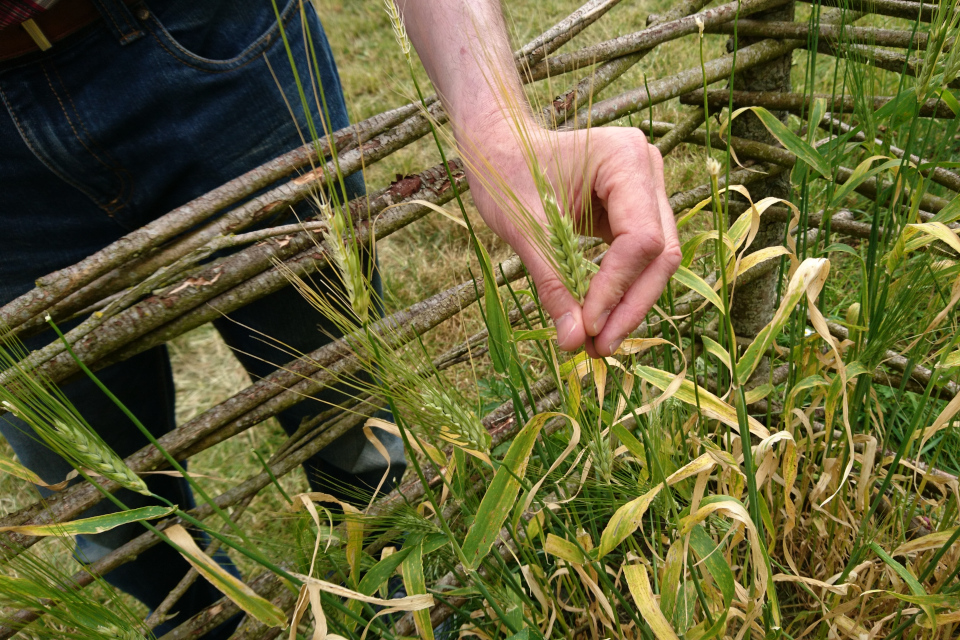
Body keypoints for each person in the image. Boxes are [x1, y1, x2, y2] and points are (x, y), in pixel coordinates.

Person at [0, 0, 678, 636]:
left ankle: (407, 613)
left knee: (355, 425)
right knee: (113, 522)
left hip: (205, 40)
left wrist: (499, 126)